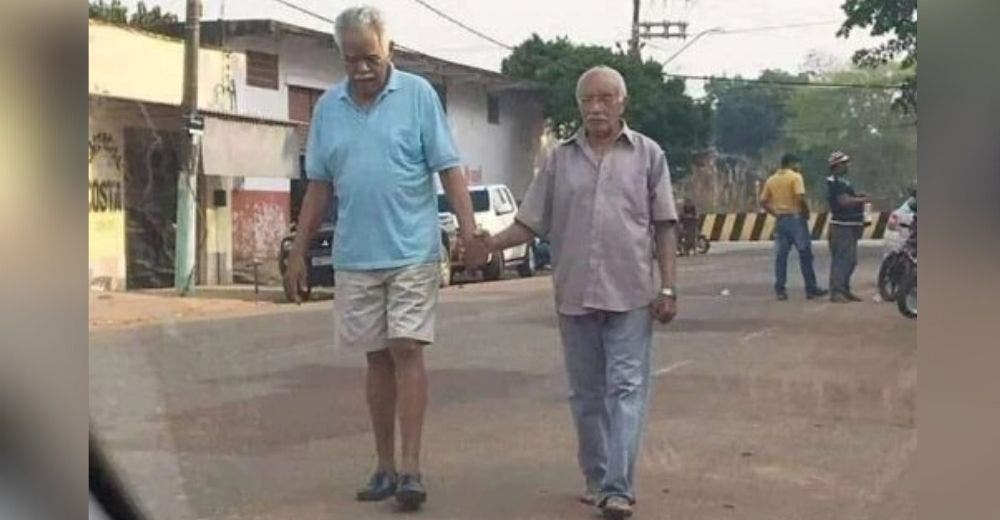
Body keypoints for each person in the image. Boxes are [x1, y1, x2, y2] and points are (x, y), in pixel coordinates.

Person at [282, 6, 486, 511]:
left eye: (369, 57)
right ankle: (384, 466)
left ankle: (412, 469)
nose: (361, 69)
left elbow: (449, 169)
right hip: (356, 255)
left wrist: (470, 231)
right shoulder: (328, 108)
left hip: (412, 250)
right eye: (351, 59)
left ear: (388, 50)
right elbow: (318, 187)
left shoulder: (417, 96)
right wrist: (299, 252)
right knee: (376, 357)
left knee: (407, 349)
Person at [468, 66, 679, 520]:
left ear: (623, 103)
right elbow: (529, 223)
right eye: (588, 100)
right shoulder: (560, 159)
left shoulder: (648, 155)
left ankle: (619, 488)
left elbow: (664, 226)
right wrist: (488, 245)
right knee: (586, 394)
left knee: (626, 388)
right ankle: (597, 477)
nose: (596, 107)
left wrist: (667, 287)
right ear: (579, 105)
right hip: (575, 294)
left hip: (631, 296)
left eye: (606, 98)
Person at [759, 154, 828, 301]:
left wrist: (775, 213)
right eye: (797, 163)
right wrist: (806, 212)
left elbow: (763, 201)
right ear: (791, 163)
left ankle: (780, 290)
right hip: (796, 219)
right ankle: (810, 288)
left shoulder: (771, 179)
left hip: (780, 220)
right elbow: (799, 197)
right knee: (805, 255)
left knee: (781, 257)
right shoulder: (795, 177)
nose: (799, 166)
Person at [825, 151, 870, 303]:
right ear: (836, 166)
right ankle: (837, 292)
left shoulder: (843, 181)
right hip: (841, 225)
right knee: (842, 260)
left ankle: (844, 289)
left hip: (850, 224)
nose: (846, 166)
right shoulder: (835, 182)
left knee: (850, 260)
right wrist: (860, 200)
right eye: (843, 163)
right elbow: (843, 201)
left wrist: (857, 196)